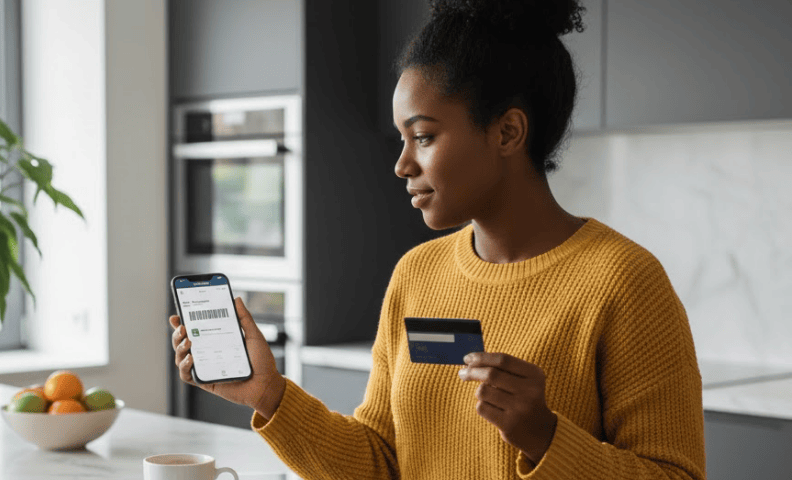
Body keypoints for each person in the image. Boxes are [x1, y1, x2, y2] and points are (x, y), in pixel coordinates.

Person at [169, 0, 707, 478]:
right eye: (403, 139)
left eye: (423, 136)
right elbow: (379, 461)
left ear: (508, 132)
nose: (402, 164)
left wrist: (545, 437)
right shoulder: (417, 274)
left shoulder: (624, 282)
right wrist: (271, 395)